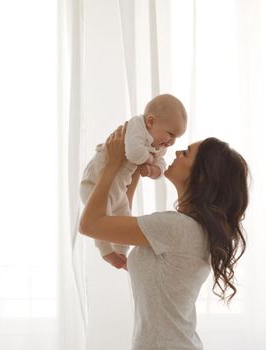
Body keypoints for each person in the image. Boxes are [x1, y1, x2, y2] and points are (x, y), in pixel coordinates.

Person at [79, 123, 249, 350]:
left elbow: (90, 224)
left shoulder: (176, 228)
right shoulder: (188, 229)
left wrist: (111, 165)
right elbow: (119, 219)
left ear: (200, 177)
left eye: (186, 153)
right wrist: (131, 168)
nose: (177, 152)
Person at [79, 94, 187, 269]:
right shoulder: (137, 126)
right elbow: (134, 153)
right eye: (170, 134)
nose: (171, 143)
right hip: (95, 181)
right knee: (103, 217)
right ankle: (106, 251)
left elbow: (161, 166)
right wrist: (150, 160)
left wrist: (152, 170)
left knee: (124, 215)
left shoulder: (159, 144)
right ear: (151, 121)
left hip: (118, 186)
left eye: (177, 138)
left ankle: (121, 252)